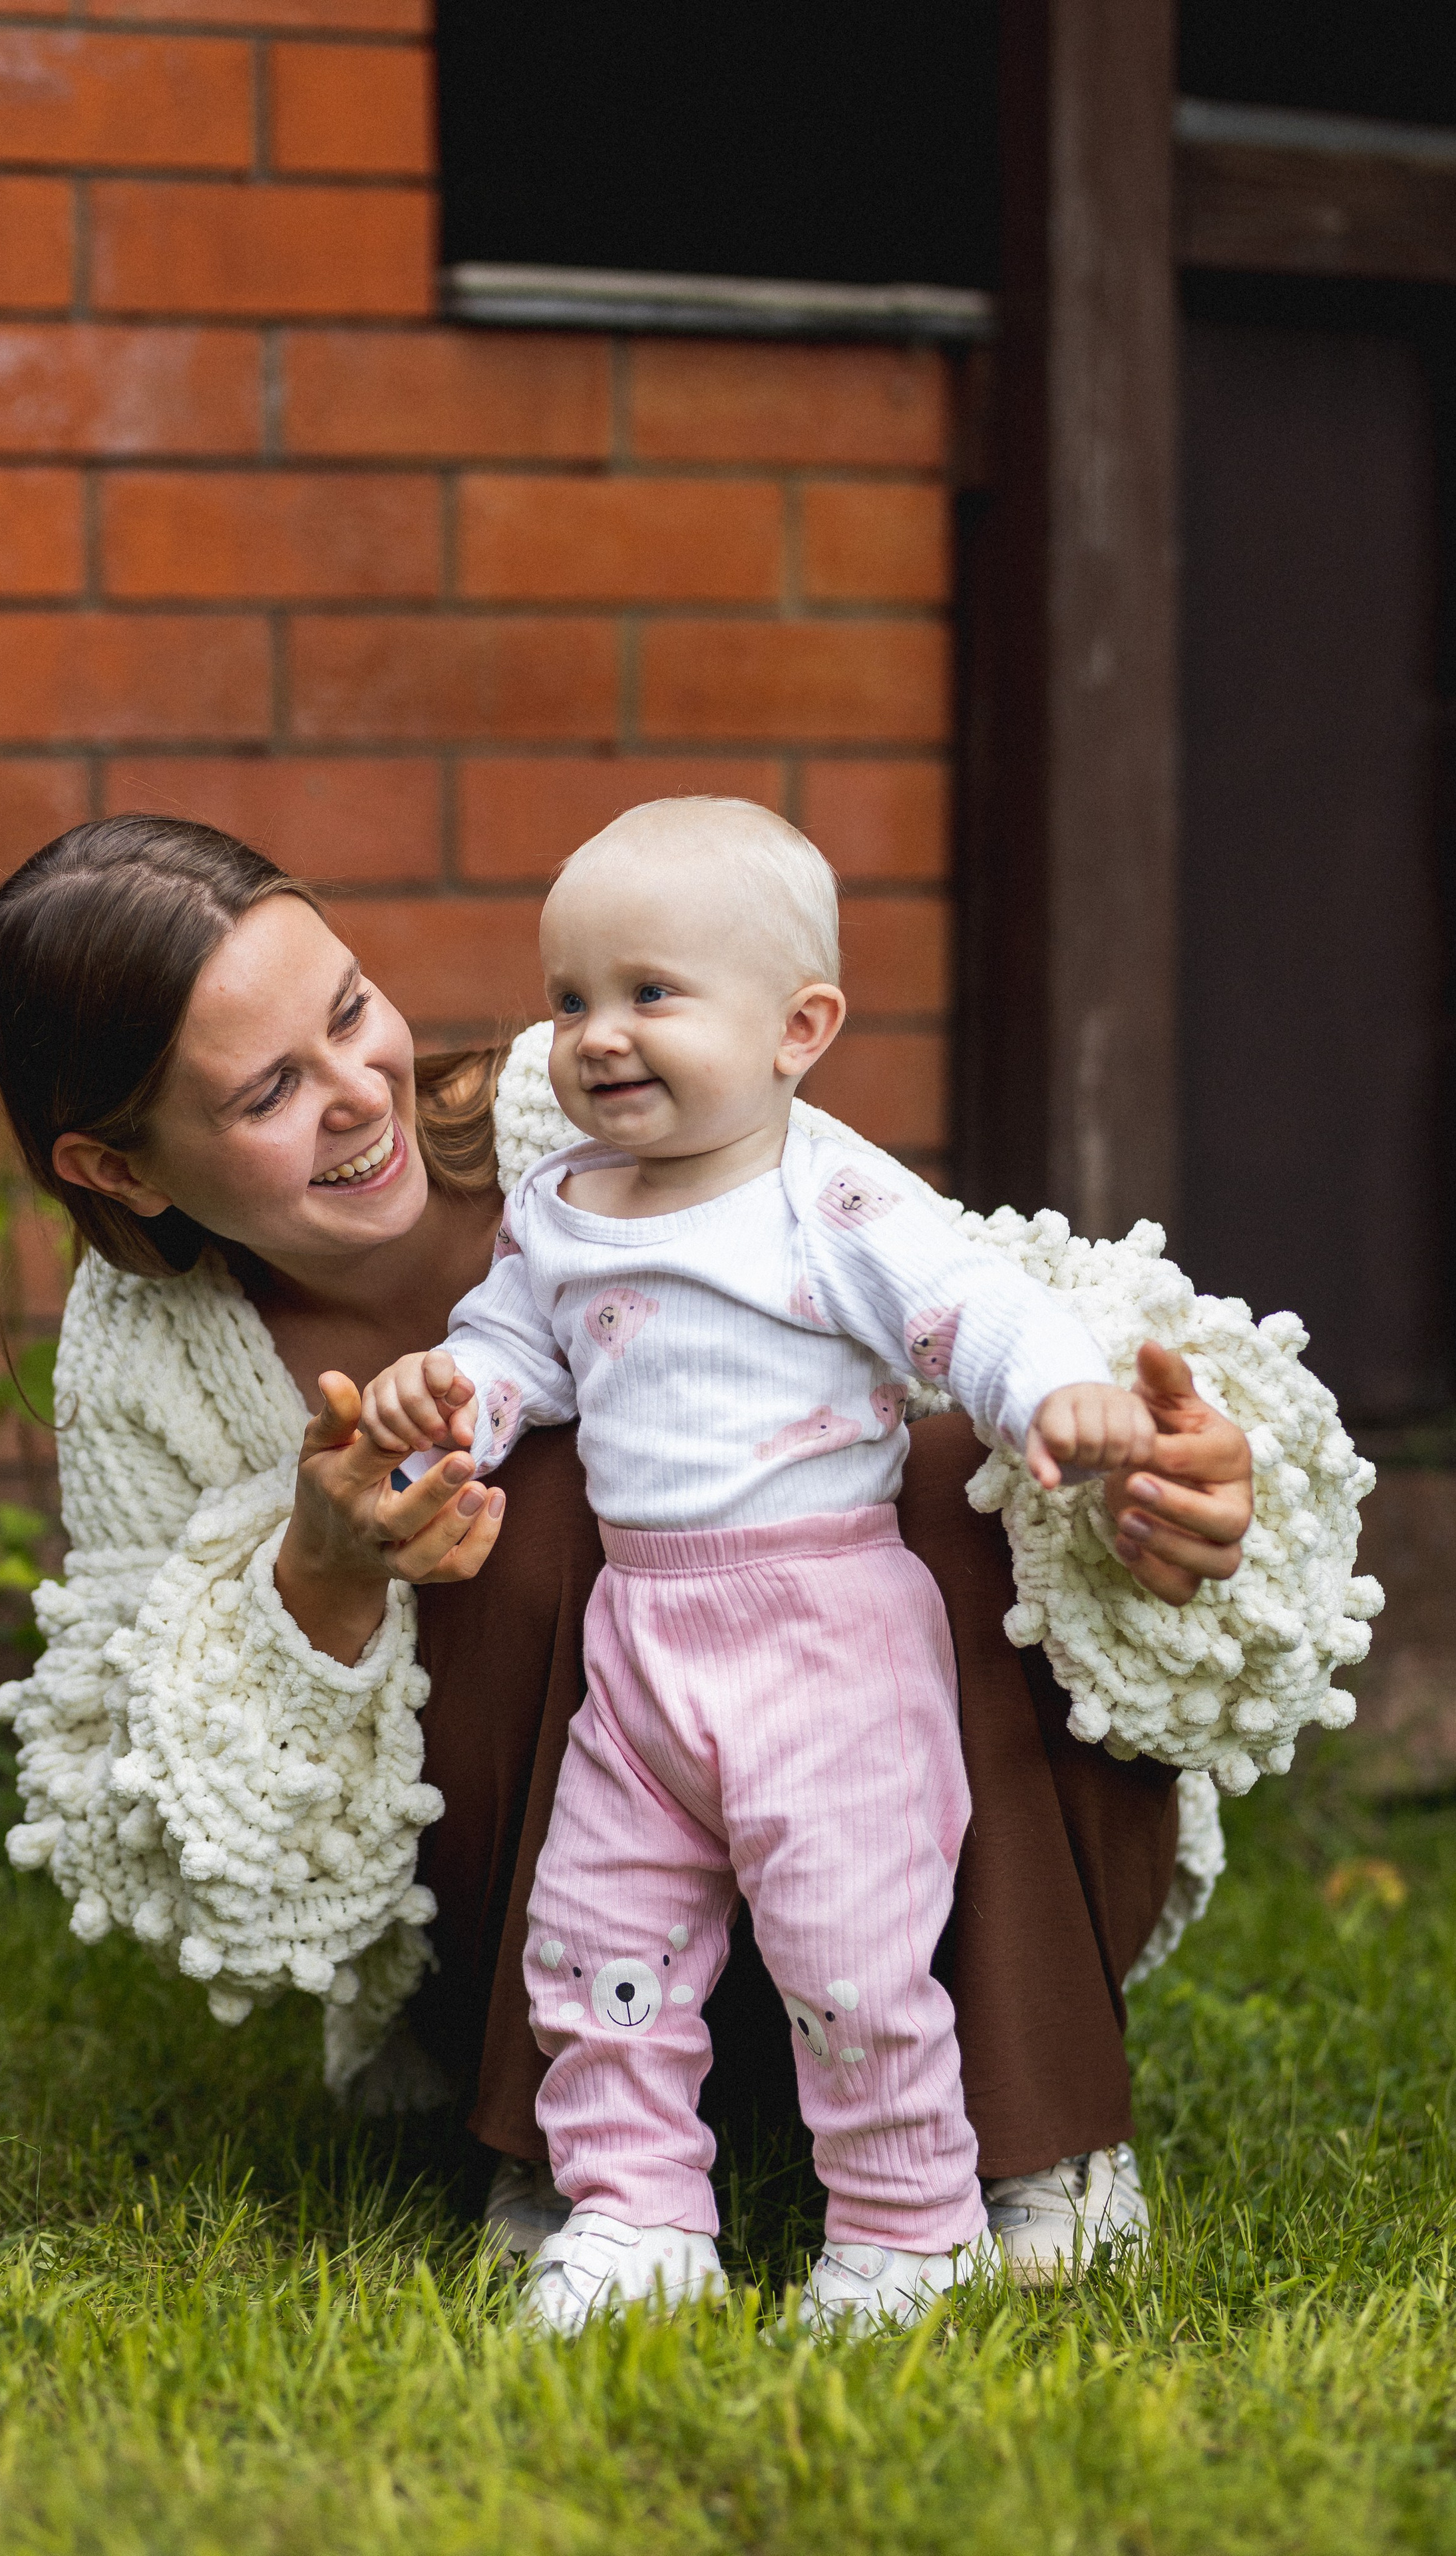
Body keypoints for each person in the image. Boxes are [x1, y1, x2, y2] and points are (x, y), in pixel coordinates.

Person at [0, 814, 1252, 2293]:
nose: (353, 1095)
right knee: (527, 1507)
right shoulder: (140, 1358)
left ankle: (1026, 2118)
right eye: (266, 1090)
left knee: (945, 1460)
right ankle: (581, 2154)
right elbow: (141, 1770)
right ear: (117, 1169)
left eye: (346, 1012)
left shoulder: (604, 1091)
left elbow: (960, 1291)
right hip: (562, 1857)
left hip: (855, 1772)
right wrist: (324, 1568)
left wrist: (1152, 1463)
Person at [359, 799, 1175, 2332]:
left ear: (798, 1027)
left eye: (650, 994)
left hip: (823, 1639)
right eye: (570, 998)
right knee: (602, 1939)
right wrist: (449, 1404)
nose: (598, 1036)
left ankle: (903, 2223)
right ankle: (633, 2213)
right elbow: (506, 1349)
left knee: (851, 1951)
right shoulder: (556, 1210)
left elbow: (968, 1307)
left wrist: (1058, 1388)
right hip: (640, 1649)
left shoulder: (830, 1197)